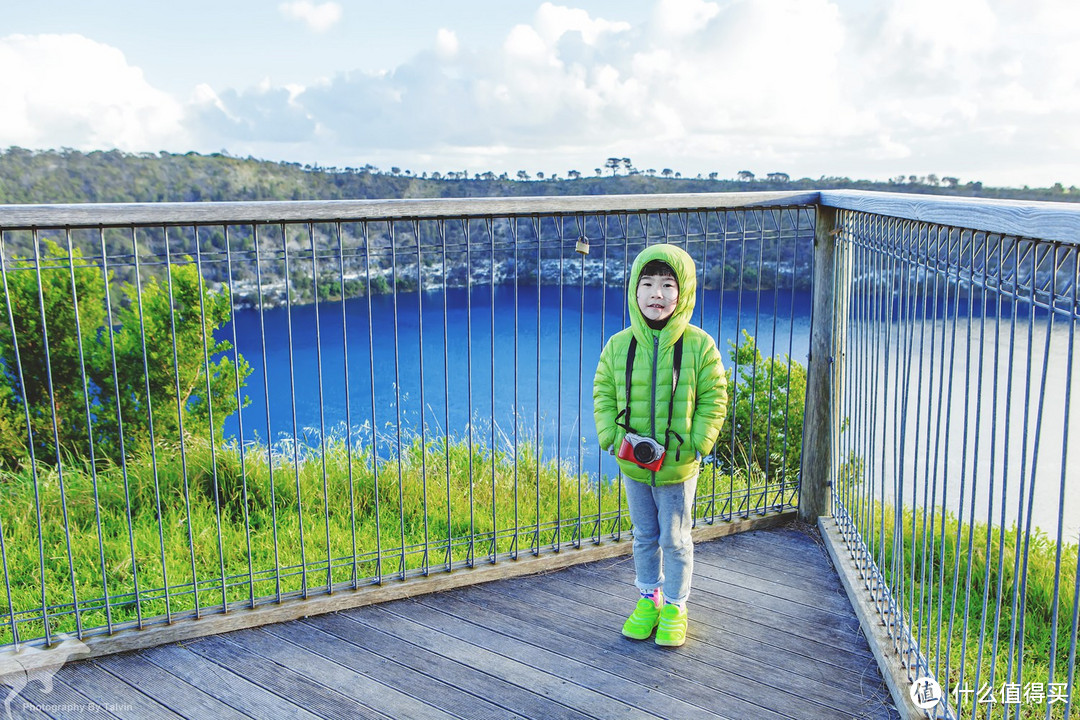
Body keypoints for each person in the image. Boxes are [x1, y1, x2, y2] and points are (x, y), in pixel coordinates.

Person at [593, 243, 727, 647]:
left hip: (678, 466)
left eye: (668, 285)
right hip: (633, 463)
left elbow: (714, 395)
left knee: (676, 537)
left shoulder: (699, 345)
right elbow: (603, 390)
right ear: (633, 290)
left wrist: (696, 443)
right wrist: (611, 437)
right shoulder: (619, 346)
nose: (657, 294)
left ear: (683, 291)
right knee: (644, 535)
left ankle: (675, 605)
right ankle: (648, 598)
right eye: (647, 283)